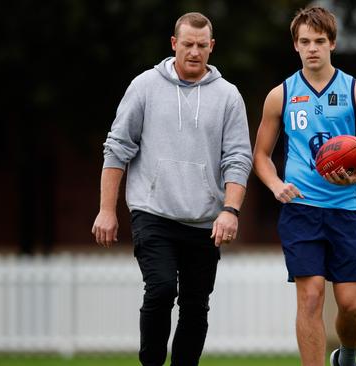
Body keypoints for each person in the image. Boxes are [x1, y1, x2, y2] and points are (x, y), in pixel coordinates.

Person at [91, 12, 252, 366]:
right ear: (174, 44)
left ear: (211, 47)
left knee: (195, 304)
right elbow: (117, 147)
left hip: (204, 220)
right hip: (153, 213)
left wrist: (230, 209)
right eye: (188, 44)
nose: (194, 52)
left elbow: (239, 158)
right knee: (161, 289)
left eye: (201, 45)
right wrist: (106, 209)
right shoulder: (145, 86)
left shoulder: (228, 97)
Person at [253, 6, 356, 366]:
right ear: (295, 45)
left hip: (346, 210)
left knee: (352, 305)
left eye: (320, 41)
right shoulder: (280, 95)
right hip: (301, 210)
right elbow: (261, 156)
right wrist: (276, 184)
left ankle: (348, 357)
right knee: (310, 299)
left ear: (333, 44)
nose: (312, 48)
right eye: (305, 41)